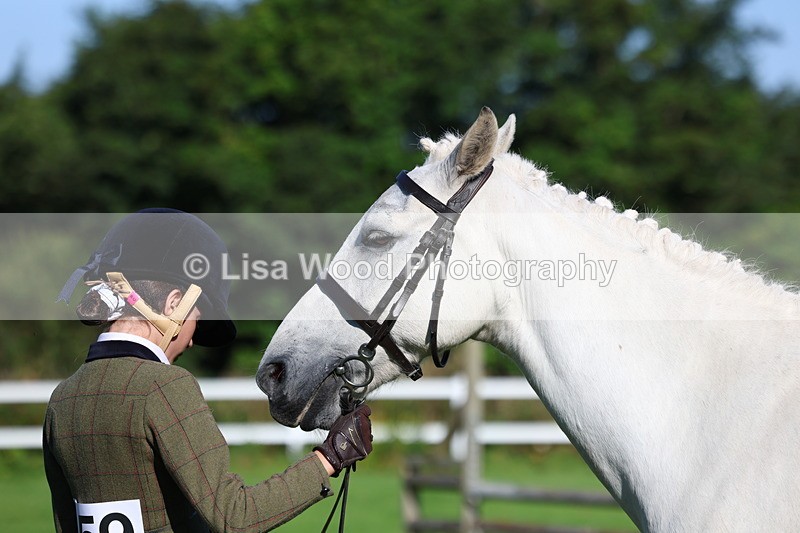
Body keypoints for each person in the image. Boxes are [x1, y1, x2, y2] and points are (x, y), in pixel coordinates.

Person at [45, 209, 372, 533]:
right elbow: (234, 517)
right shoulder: (163, 386)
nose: (190, 343)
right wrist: (331, 457)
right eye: (196, 322)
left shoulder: (62, 399)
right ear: (174, 304)